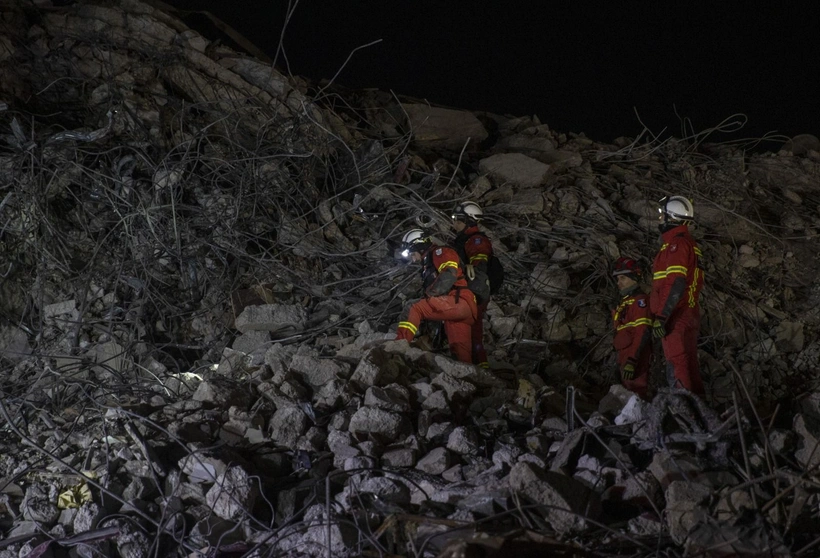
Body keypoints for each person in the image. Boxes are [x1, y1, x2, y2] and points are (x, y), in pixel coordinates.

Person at [395, 229, 477, 363]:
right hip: (460, 310)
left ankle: (398, 347)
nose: (413, 258)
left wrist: (429, 295)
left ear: (420, 247)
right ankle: (471, 374)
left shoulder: (441, 252)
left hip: (458, 300)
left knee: (413, 307)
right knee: (461, 356)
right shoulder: (429, 262)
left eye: (412, 253)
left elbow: (449, 275)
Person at [650, 195, 705, 395]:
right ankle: (699, 408)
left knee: (678, 365)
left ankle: (684, 408)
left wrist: (662, 317)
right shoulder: (687, 243)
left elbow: (676, 283)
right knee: (689, 365)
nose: (660, 219)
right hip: (688, 312)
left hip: (676, 315)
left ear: (672, 217)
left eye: (662, 215)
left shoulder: (677, 245)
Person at [451, 201, 494, 368]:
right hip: (466, 290)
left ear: (469, 221)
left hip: (474, 291)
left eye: (458, 219)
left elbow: (478, 268)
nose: (454, 223)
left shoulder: (476, 241)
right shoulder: (463, 240)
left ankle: (477, 370)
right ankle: (472, 366)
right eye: (454, 218)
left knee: (473, 332)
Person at [611, 257, 653, 399]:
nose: (619, 283)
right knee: (627, 393)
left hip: (634, 355)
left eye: (623, 278)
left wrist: (632, 359)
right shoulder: (626, 302)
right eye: (618, 279)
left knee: (636, 393)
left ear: (634, 278)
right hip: (624, 354)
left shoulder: (639, 301)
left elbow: (643, 331)